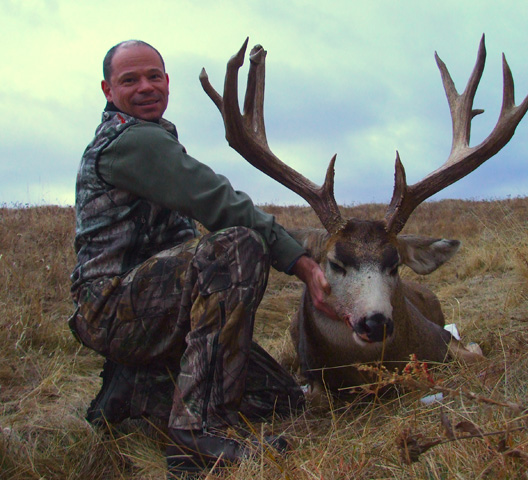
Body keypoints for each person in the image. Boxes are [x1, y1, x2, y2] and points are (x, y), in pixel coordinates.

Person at [69, 39, 335, 475]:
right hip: (112, 308)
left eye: (154, 76)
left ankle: (136, 387)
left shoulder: (155, 140)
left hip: (155, 308)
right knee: (236, 247)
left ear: (168, 82)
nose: (145, 87)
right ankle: (200, 434)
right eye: (129, 80)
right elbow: (219, 202)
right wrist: (301, 262)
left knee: (280, 399)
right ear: (107, 90)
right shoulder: (130, 142)